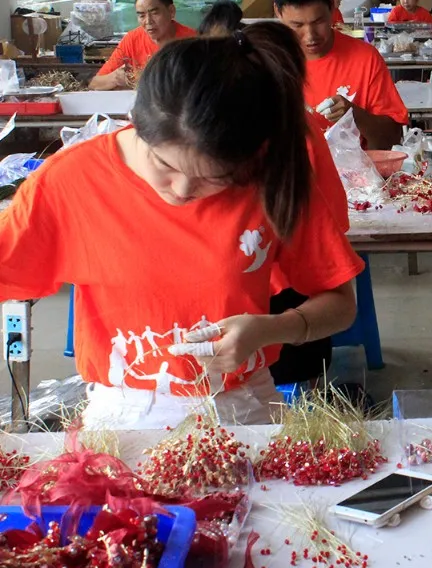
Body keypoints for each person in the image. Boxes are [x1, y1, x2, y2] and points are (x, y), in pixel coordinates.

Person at [0, 22, 365, 429]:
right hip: (122, 416)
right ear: (136, 122)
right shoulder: (71, 180)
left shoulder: (271, 176)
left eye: (215, 178)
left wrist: (272, 329)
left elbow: (340, 303)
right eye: (165, 165)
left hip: (242, 408)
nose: (182, 190)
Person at [271, 0, 406, 150]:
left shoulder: (364, 59)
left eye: (318, 21)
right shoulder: (268, 63)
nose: (310, 36)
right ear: (278, 12)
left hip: (354, 168)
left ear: (332, 4)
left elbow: (392, 139)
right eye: (297, 25)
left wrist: (355, 116)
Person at [90, 0, 196, 91]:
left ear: (171, 11)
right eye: (142, 16)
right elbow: (94, 83)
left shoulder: (193, 41)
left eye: (155, 13)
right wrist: (115, 79)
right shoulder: (132, 40)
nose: (148, 21)